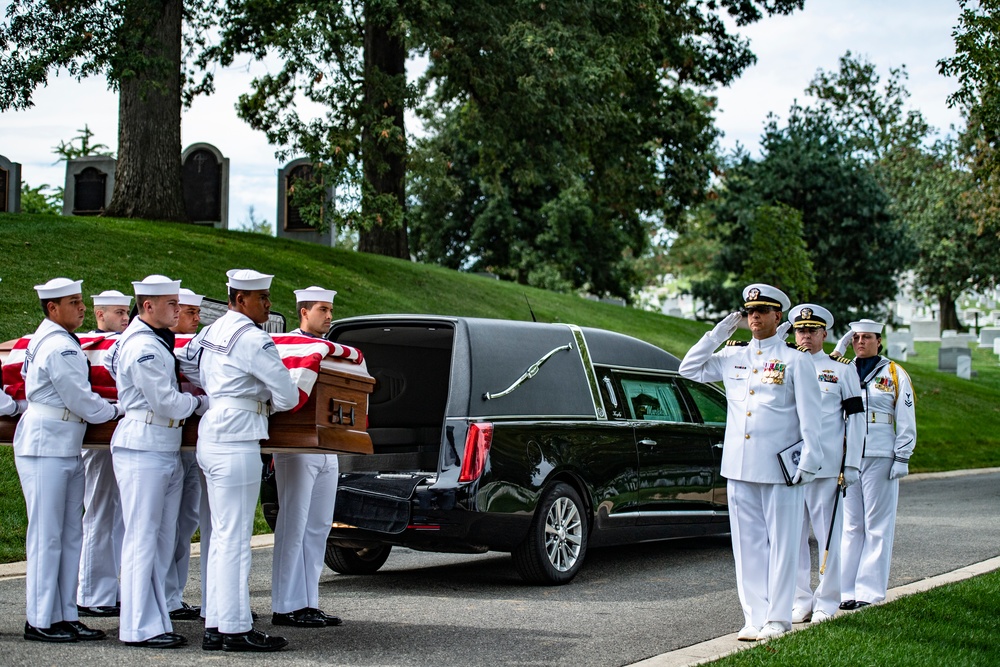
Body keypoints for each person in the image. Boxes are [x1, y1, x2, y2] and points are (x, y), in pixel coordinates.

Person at [678, 283, 823, 642]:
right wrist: (717, 334)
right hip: (740, 467)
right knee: (748, 547)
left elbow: (812, 418)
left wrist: (810, 459)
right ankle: (754, 617)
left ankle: (778, 618)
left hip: (779, 469)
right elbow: (689, 369)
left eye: (761, 311)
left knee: (784, 543)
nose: (754, 317)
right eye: (749, 312)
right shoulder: (733, 356)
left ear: (778, 316)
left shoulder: (796, 360)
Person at [192, 269, 299, 652]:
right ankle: (235, 629)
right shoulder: (254, 338)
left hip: (212, 431)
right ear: (240, 300)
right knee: (235, 539)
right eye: (263, 298)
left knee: (220, 537)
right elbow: (287, 394)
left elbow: (190, 367)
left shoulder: (209, 333)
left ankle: (217, 624)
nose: (269, 304)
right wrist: (267, 401)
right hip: (238, 437)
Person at [13, 277, 121, 643]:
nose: (81, 307)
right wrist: (117, 409)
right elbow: (81, 400)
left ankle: (64, 614)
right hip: (47, 445)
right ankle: (42, 619)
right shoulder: (59, 346)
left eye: (79, 300)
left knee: (69, 534)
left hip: (62, 443)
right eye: (73, 302)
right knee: (47, 536)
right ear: (52, 308)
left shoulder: (51, 339)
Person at [108, 275, 207, 648]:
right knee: (142, 539)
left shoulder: (153, 341)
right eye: (171, 304)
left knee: (161, 539)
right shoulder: (143, 347)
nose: (177, 311)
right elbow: (166, 401)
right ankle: (138, 626)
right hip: (144, 444)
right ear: (147, 306)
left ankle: (156, 619)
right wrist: (200, 403)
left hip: (163, 443)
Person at [786, 304, 864, 624]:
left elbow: (856, 421)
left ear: (824, 334)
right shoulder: (785, 365)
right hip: (789, 466)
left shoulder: (842, 370)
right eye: (800, 330)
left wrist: (854, 463)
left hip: (827, 466)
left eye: (812, 330)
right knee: (792, 538)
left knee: (828, 537)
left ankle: (827, 601)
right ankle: (800, 599)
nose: (805, 336)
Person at [271, 286, 343, 629]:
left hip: (328, 443)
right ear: (304, 312)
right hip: (298, 446)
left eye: (330, 310)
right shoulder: (287, 346)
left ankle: (308, 602)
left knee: (318, 527)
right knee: (294, 525)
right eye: (322, 309)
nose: (329, 316)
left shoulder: (331, 351)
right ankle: (285, 604)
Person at [834, 319, 916, 610]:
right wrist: (836, 350)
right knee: (851, 525)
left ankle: (869, 591)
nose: (860, 342)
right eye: (855, 338)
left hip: (881, 455)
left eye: (866, 337)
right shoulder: (843, 369)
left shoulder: (894, 372)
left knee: (878, 525)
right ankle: (845, 590)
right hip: (849, 458)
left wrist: (901, 456)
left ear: (878, 341)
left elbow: (905, 417)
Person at [77, 289, 131, 618]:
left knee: (118, 516)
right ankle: (91, 592)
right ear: (100, 315)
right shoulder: (90, 346)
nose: (126, 318)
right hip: (99, 437)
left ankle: (107, 587)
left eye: (126, 312)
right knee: (99, 512)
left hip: (116, 435)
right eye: (118, 313)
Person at [164, 287, 206, 621]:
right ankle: (162, 597)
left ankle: (173, 596)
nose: (197, 319)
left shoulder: (196, 348)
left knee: (186, 521)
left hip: (193, 444)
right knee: (166, 525)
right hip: (167, 441)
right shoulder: (162, 348)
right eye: (191, 312)